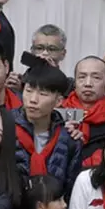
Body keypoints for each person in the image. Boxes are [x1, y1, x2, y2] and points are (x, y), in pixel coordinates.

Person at [14, 63, 82, 195]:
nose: (33, 100)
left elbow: (70, 189)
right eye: (28, 91)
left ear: (58, 101)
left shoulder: (70, 139)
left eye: (43, 94)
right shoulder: (4, 127)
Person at [61, 56, 105, 168]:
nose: (88, 83)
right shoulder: (57, 117)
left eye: (96, 78)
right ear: (74, 83)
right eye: (82, 77)